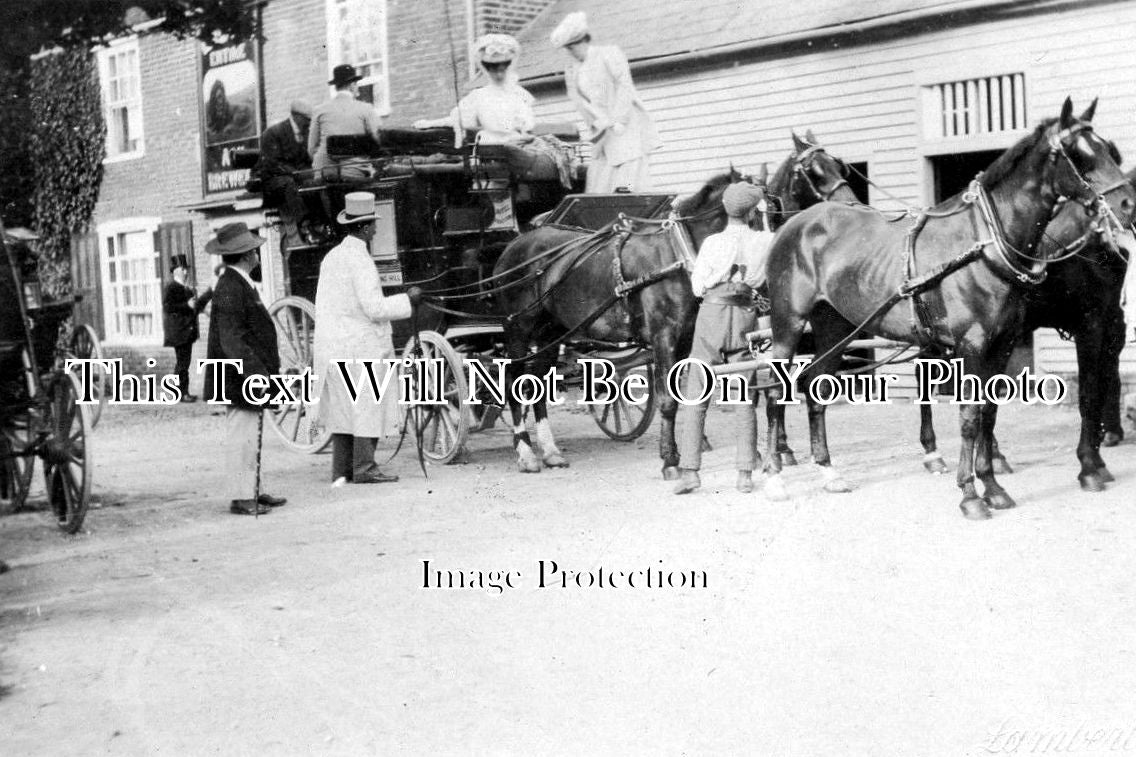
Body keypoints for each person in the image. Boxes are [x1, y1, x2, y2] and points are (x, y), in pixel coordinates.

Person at [313, 192, 422, 485]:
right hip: (361, 346)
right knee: (367, 405)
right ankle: (364, 467)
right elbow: (374, 308)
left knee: (343, 408)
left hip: (334, 345)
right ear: (362, 228)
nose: (375, 228)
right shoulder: (360, 259)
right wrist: (408, 300)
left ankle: (342, 470)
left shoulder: (332, 257)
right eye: (372, 224)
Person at [673, 183, 775, 495]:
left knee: (696, 390)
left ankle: (690, 471)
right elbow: (767, 265)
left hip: (712, 316)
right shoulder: (765, 240)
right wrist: (764, 217)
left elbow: (698, 288)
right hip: (744, 316)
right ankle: (745, 473)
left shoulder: (712, 242)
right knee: (745, 395)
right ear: (755, 211)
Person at [203, 222, 287, 515]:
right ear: (247, 255)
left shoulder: (236, 282)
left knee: (251, 433)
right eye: (254, 251)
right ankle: (241, 498)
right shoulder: (229, 286)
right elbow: (231, 339)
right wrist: (256, 372)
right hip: (237, 378)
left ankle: (251, 489)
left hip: (243, 375)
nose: (257, 255)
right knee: (242, 435)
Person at [550, 11, 661, 193]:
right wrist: (595, 127)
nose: (572, 53)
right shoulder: (574, 70)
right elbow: (582, 103)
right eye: (568, 49)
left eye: (573, 47)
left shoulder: (608, 54)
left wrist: (618, 120)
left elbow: (625, 87)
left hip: (625, 130)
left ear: (584, 40)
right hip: (603, 135)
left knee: (628, 182)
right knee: (599, 184)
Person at [413, 34, 535, 146]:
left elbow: (528, 128)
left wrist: (523, 135)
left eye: (502, 70)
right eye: (494, 70)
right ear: (487, 70)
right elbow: (460, 119)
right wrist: (429, 124)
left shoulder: (519, 94)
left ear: (508, 68)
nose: (499, 75)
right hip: (491, 148)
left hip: (520, 147)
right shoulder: (479, 96)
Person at [309, 64, 382, 182]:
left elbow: (311, 148)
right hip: (355, 174)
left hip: (324, 173)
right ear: (352, 85)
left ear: (336, 87)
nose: (357, 87)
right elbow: (378, 140)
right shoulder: (366, 109)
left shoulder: (319, 110)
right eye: (356, 84)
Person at [257, 100, 314, 247]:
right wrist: (296, 173)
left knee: (316, 181)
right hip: (275, 180)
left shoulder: (306, 133)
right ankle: (303, 224)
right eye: (307, 120)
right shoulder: (273, 133)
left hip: (296, 178)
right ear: (297, 117)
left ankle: (317, 225)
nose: (309, 124)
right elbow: (271, 164)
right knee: (288, 185)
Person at [162, 254, 212, 403]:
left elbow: (194, 307)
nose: (186, 272)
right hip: (179, 332)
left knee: (184, 362)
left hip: (186, 332)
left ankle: (183, 392)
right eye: (183, 269)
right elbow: (168, 307)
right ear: (176, 271)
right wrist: (187, 305)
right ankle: (181, 393)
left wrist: (205, 305)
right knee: (182, 363)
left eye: (186, 269)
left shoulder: (186, 289)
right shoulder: (171, 288)